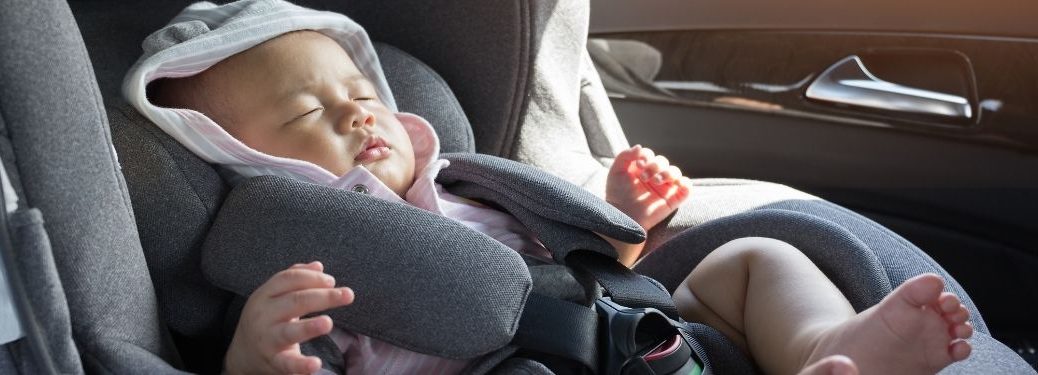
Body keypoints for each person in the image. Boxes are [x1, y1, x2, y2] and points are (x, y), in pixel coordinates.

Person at [126, 1, 973, 374]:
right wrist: (255, 359)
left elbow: (589, 272)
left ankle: (829, 345)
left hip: (642, 337)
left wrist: (623, 219)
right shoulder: (298, 272)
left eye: (360, 93)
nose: (356, 113)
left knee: (752, 259)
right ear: (236, 153)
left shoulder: (471, 187)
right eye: (308, 111)